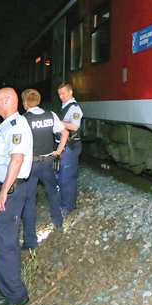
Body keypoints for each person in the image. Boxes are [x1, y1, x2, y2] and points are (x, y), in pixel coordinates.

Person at [0, 87, 34, 305]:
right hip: (4, 191)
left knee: (4, 244)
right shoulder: (6, 126)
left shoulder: (17, 127)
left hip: (9, 192)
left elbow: (17, 160)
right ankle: (4, 288)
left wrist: (4, 192)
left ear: (6, 100)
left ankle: (16, 296)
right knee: (1, 242)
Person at [19, 89, 69, 249]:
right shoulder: (51, 115)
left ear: (25, 103)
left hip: (31, 164)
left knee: (29, 200)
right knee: (52, 192)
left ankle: (30, 241)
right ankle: (58, 223)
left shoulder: (23, 120)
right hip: (48, 162)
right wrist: (58, 151)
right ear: (39, 101)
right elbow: (65, 132)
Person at [56, 82, 83, 216]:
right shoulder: (64, 107)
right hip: (62, 145)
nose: (61, 96)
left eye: (64, 93)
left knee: (67, 177)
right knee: (61, 176)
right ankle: (63, 204)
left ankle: (68, 206)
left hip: (70, 146)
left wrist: (58, 122)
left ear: (71, 92)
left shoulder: (74, 108)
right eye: (60, 94)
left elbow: (75, 126)